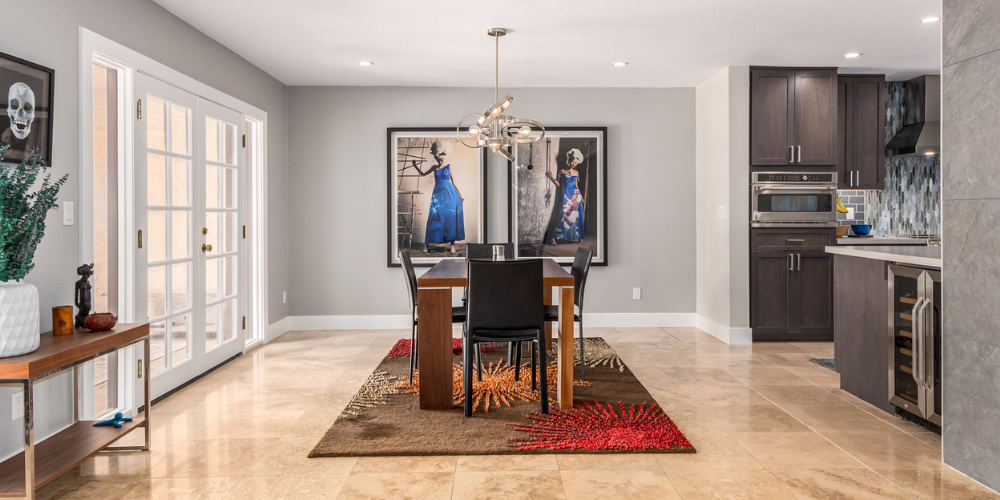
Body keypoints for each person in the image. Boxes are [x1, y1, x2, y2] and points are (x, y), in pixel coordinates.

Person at [413, 140, 465, 254]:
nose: (442, 159)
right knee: (433, 216)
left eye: (444, 156)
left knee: (450, 218)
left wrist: (460, 194)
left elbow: (454, 181)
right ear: (437, 157)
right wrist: (415, 166)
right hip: (438, 195)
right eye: (440, 157)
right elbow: (422, 174)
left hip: (450, 194)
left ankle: (452, 245)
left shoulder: (448, 167)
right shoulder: (434, 168)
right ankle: (426, 244)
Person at [543, 148, 586, 245]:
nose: (573, 164)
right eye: (572, 162)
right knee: (563, 214)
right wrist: (552, 177)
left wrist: (581, 196)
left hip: (575, 195)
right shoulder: (562, 171)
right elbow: (558, 185)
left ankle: (579, 236)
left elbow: (577, 186)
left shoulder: (576, 173)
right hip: (566, 194)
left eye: (575, 163)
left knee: (577, 215)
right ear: (569, 161)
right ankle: (554, 238)